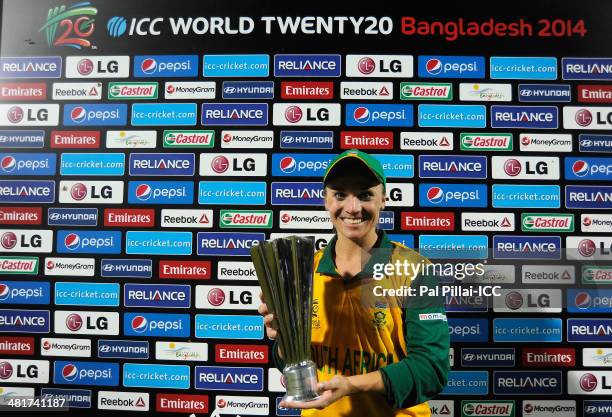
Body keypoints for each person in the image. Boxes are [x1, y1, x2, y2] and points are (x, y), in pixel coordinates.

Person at [258, 149, 450, 417]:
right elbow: (289, 361)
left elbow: (431, 369)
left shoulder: (416, 270)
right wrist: (283, 340)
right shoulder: (305, 271)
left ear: (384, 199)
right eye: (340, 194)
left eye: (365, 195)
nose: (352, 208)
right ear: (325, 200)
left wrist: (351, 385)